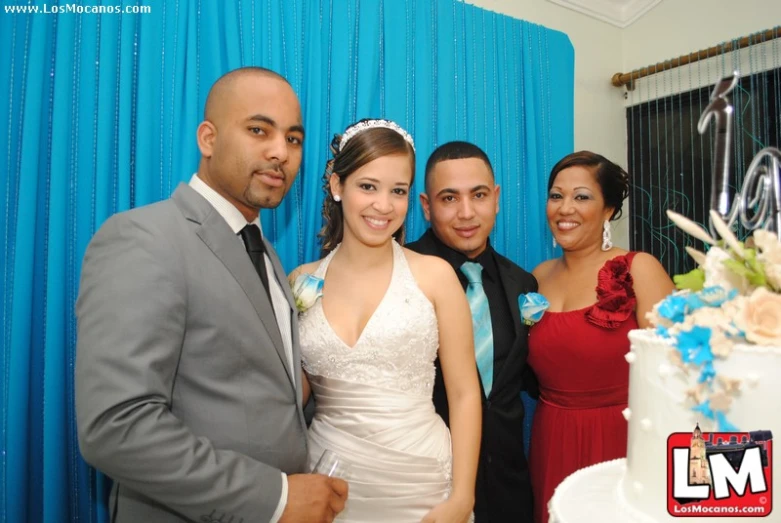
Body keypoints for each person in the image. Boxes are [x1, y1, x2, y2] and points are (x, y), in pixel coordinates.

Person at [75, 67, 347, 523]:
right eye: (259, 130)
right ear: (207, 138)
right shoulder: (144, 237)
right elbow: (116, 426)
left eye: (294, 139)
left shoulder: (267, 255)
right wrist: (276, 498)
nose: (280, 152)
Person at [289, 119, 482, 522]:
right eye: (368, 186)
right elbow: (291, 394)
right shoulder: (301, 280)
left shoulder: (436, 277)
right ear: (338, 186)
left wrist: (462, 498)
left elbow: (464, 394)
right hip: (327, 483)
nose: (384, 205)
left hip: (421, 484)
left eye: (398, 191)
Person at [527, 150, 675, 523]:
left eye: (582, 197)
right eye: (556, 196)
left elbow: (677, 373)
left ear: (609, 210)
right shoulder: (536, 277)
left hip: (623, 441)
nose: (565, 209)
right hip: (551, 438)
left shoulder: (638, 269)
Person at [406, 141, 538, 523]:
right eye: (449, 198)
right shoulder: (400, 276)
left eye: (478, 195)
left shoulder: (522, 283)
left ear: (496, 199)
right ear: (427, 207)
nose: (466, 213)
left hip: (509, 488)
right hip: (426, 486)